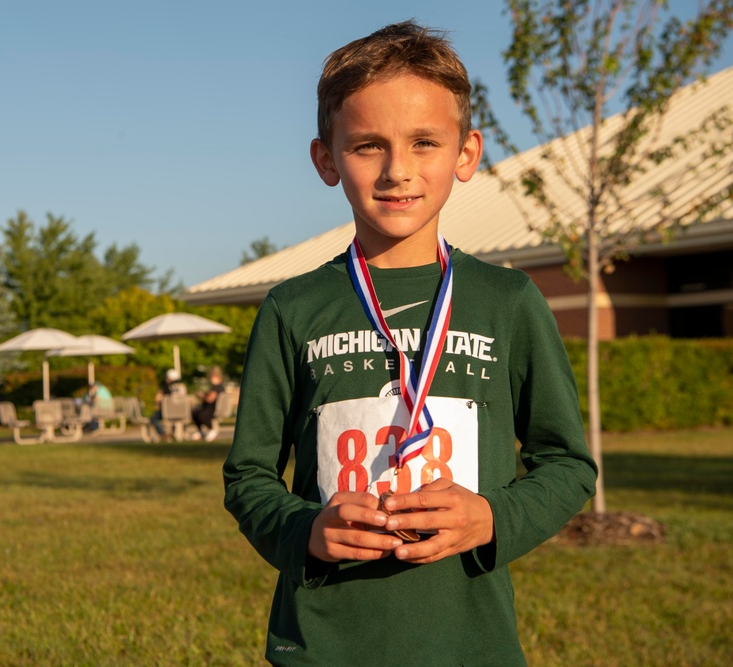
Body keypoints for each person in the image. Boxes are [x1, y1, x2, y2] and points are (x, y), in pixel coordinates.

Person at [222, 21, 597, 665]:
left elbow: (568, 464)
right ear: (326, 160)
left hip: (468, 644)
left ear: (466, 153)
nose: (399, 171)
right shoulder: (293, 308)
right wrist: (305, 530)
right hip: (322, 646)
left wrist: (491, 520)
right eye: (368, 146)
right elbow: (248, 475)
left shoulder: (508, 303)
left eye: (425, 142)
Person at [190, 366, 225, 441]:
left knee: (201, 415)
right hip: (208, 407)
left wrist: (202, 396)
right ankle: (201, 431)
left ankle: (212, 429)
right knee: (195, 413)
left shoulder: (217, 387)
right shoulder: (216, 387)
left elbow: (210, 399)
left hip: (211, 409)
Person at [150, 368, 185, 440]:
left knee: (154, 418)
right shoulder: (182, 386)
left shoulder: (167, 387)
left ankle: (163, 433)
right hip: (182, 412)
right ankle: (172, 434)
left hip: (168, 412)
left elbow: (158, 398)